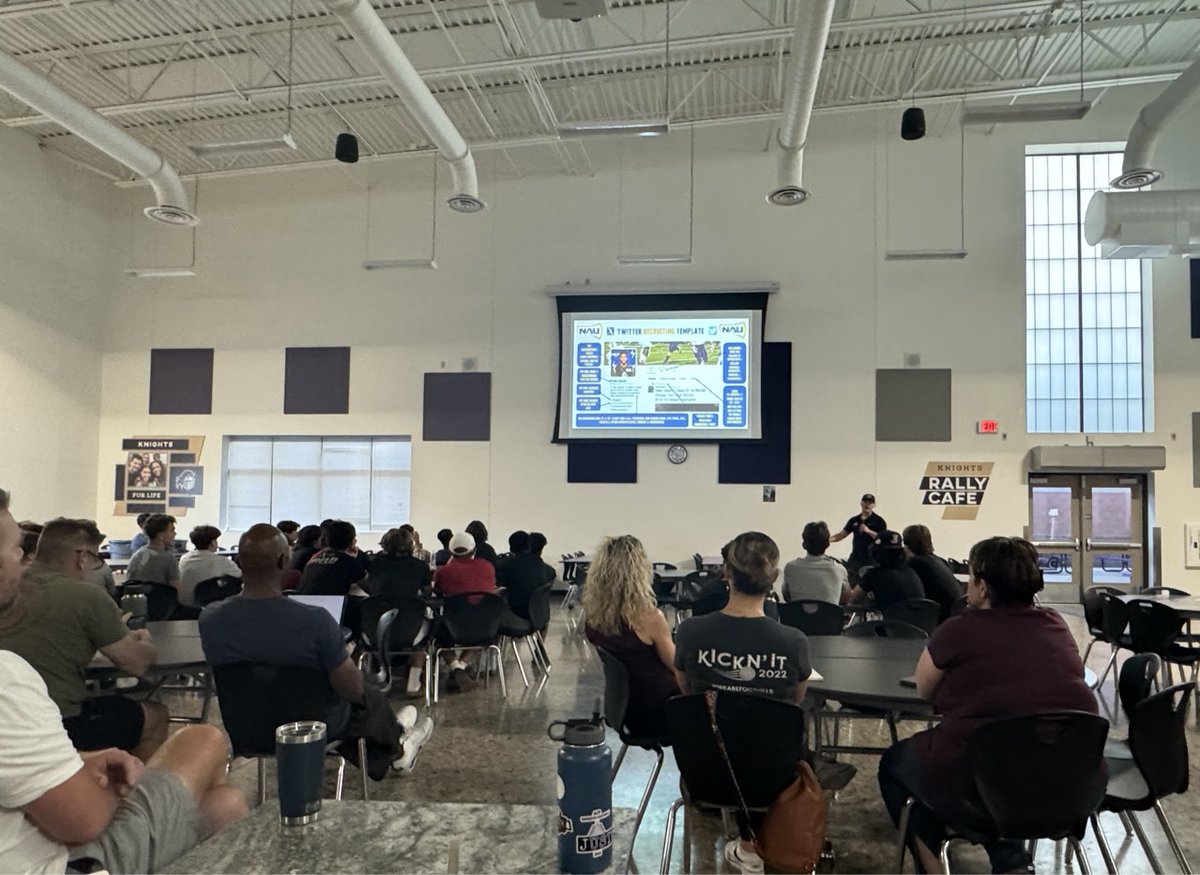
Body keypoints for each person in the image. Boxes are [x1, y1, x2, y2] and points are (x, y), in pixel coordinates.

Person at [878, 536, 1101, 875]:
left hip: (981, 780)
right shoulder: (1056, 624)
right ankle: (1010, 860)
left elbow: (924, 689)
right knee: (1001, 767)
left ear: (982, 586)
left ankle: (931, 868)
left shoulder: (959, 630)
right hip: (1068, 783)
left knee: (898, 765)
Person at [199, 524, 433, 776]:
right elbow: (352, 691)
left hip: (246, 729)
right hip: (313, 728)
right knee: (367, 695)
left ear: (237, 561)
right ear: (284, 560)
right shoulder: (316, 621)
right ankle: (398, 744)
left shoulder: (210, 619)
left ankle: (397, 732)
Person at [673, 532, 811, 874]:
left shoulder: (691, 632)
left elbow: (688, 693)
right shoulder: (794, 641)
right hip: (774, 776)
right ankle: (762, 842)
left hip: (706, 771)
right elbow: (794, 703)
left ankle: (748, 843)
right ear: (774, 578)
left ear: (726, 573)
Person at [0, 517, 168, 761]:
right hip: (59, 721)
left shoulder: (9, 590)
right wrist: (144, 643)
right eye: (96, 559)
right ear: (82, 557)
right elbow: (136, 663)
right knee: (155, 715)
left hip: (8, 719)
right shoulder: (87, 596)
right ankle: (131, 795)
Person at [582, 535, 679, 739]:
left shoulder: (593, 617)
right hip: (660, 710)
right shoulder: (650, 618)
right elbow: (676, 666)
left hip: (624, 709)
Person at [433, 533, 497, 691]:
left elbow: (437, 590)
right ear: (474, 549)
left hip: (453, 626)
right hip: (485, 625)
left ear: (451, 551)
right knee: (477, 633)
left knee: (437, 633)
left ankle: (456, 668)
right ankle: (461, 666)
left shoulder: (444, 572)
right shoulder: (488, 567)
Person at [902, 524, 964, 622]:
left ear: (906, 543)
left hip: (939, 614)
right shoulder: (939, 560)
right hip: (955, 610)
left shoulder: (914, 563)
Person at [850, 531, 924, 611]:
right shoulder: (911, 572)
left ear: (875, 553)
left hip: (891, 621)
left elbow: (853, 599)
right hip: (918, 621)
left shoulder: (874, 574)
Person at [781, 520, 849, 605]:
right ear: (828, 544)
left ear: (804, 545)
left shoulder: (790, 567)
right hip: (829, 617)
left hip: (798, 617)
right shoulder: (839, 570)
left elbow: (786, 596)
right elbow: (846, 598)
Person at [495, 530, 554, 622]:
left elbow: (497, 577)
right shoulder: (540, 563)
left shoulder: (509, 563)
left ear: (511, 548)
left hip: (518, 613)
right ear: (529, 546)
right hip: (540, 613)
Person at [177, 525, 242, 607]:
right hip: (207, 606)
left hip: (184, 604)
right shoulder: (222, 561)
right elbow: (240, 575)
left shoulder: (184, 558)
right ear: (212, 543)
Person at [829, 493, 887, 583]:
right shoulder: (854, 520)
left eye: (870, 503)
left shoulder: (879, 521)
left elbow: (882, 539)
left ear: (874, 505)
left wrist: (868, 531)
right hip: (855, 558)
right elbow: (842, 535)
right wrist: (827, 540)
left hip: (871, 560)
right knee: (852, 581)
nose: (867, 505)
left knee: (869, 583)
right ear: (861, 503)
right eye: (865, 502)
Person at [298, 520, 366, 596]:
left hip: (302, 602)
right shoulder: (347, 561)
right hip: (329, 604)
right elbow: (369, 587)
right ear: (351, 541)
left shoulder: (315, 557)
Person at [368, 528, 431, 599]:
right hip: (409, 608)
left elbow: (371, 587)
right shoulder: (421, 566)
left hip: (380, 608)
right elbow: (427, 593)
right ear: (410, 545)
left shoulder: (376, 562)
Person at [126, 514, 179, 587]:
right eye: (172, 530)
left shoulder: (137, 555)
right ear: (161, 536)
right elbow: (176, 588)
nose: (175, 534)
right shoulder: (169, 559)